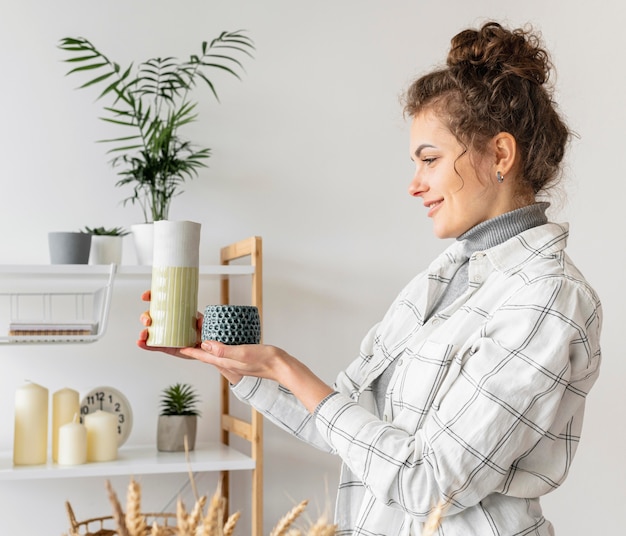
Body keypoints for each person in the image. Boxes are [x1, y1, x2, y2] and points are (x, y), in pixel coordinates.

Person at [138, 21, 602, 536]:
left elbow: (428, 483)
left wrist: (286, 367)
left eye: (430, 160)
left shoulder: (547, 298)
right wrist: (236, 364)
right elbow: (347, 424)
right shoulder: (445, 278)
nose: (414, 184)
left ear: (499, 154)